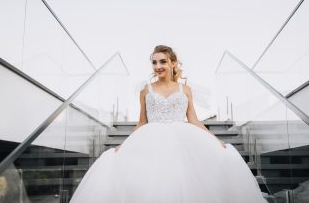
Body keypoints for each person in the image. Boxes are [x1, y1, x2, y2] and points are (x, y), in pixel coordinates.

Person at [69, 45, 267, 203]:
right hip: (150, 140)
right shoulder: (145, 90)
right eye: (154, 62)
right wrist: (124, 145)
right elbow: (142, 122)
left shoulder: (185, 89)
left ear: (173, 63)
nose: (158, 66)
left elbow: (194, 119)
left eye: (162, 61)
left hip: (182, 139)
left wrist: (215, 139)